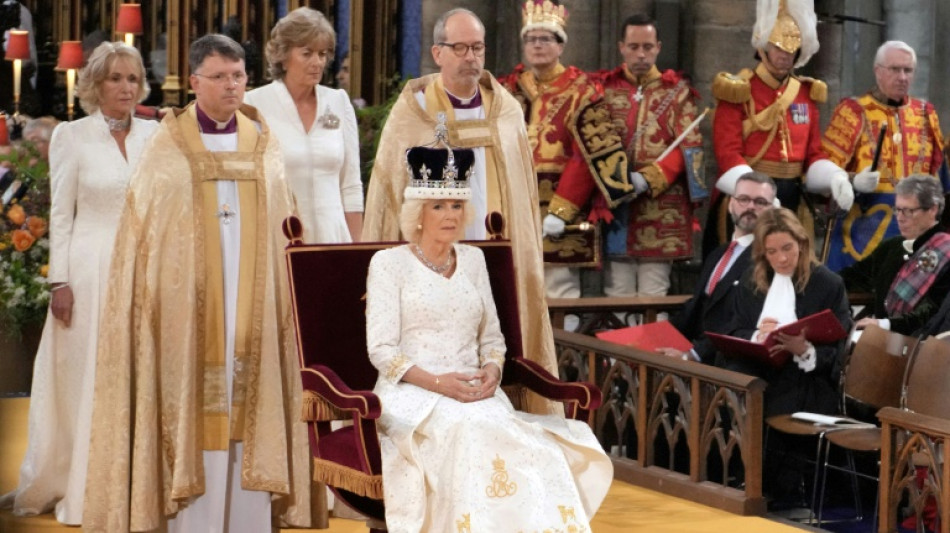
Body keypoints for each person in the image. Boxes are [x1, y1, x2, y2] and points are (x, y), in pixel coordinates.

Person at [81, 34, 310, 531]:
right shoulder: (169, 146)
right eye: (221, 77)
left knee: (247, 399)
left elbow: (284, 228)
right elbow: (146, 239)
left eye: (239, 76)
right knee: (197, 402)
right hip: (186, 315)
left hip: (253, 310)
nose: (232, 86)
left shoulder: (264, 145)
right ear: (194, 82)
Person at [365, 143, 612, 532]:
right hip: (412, 392)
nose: (450, 216)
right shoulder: (388, 264)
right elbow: (381, 350)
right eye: (438, 206)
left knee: (530, 444)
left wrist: (492, 373)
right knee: (468, 432)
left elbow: (493, 340)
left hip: (476, 389)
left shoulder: (475, 260)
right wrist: (438, 383)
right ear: (417, 213)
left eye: (457, 206)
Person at [361, 8, 559, 415]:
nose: (471, 56)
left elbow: (522, 195)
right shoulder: (412, 112)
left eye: (478, 47)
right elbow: (389, 197)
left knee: (503, 335)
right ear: (438, 52)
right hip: (432, 260)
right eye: (461, 47)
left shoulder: (505, 111)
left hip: (499, 253)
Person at [0, 42, 157, 525]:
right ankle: (83, 481)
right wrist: (60, 282)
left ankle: (135, 479)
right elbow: (62, 216)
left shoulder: (157, 135)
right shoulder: (72, 136)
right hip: (88, 271)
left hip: (146, 271)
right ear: (95, 84)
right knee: (86, 374)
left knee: (138, 373)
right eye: (115, 78)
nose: (125, 87)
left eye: (132, 78)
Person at [545, 13, 705, 303]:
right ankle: (617, 349)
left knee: (654, 294)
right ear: (621, 47)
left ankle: (648, 350)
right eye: (633, 47)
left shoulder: (678, 93)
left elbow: (689, 150)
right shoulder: (602, 90)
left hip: (660, 208)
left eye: (647, 46)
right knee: (616, 294)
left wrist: (650, 177)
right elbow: (586, 148)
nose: (640, 54)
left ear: (658, 47)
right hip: (615, 209)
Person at [708, 0, 852, 256]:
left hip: (791, 198)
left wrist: (834, 177)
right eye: (778, 47)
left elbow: (813, 155)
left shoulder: (806, 93)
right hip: (747, 196)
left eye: (792, 49)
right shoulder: (738, 89)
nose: (785, 55)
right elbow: (727, 154)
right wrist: (757, 196)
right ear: (764, 46)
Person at [497, 0, 602, 313]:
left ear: (560, 45)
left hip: (561, 199)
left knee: (559, 288)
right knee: (514, 284)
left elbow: (587, 153)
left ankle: (562, 360)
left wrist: (562, 209)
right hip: (515, 199)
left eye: (545, 39)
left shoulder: (583, 90)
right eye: (531, 39)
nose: (537, 46)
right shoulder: (508, 88)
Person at [821, 41, 945, 271]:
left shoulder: (926, 114)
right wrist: (853, 179)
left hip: (918, 229)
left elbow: (937, 177)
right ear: (878, 71)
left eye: (907, 70)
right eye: (894, 69)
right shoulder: (853, 111)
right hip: (864, 228)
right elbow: (824, 173)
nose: (902, 77)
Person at [245, 7, 363, 243]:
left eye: (322, 54)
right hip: (279, 237)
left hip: (334, 238)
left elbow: (350, 185)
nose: (317, 62)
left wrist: (358, 249)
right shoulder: (254, 105)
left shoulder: (338, 101)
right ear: (283, 55)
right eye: (307, 53)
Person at [727, 207, 852, 417]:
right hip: (756, 371)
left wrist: (803, 350)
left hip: (806, 378)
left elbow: (839, 349)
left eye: (787, 248)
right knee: (734, 387)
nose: (782, 259)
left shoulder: (828, 284)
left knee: (780, 399)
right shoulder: (751, 281)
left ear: (801, 244)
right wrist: (758, 336)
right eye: (772, 252)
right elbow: (734, 330)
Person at [658, 172, 777, 364]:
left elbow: (740, 322)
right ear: (731, 204)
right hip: (689, 348)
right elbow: (697, 305)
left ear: (772, 211)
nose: (751, 207)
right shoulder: (718, 254)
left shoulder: (768, 259)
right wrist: (656, 334)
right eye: (743, 199)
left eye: (760, 202)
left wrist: (693, 355)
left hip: (724, 361)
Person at [839, 174, 950, 335]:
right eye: (897, 210)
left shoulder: (945, 251)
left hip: (923, 347)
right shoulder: (892, 246)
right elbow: (853, 277)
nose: (900, 218)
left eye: (908, 211)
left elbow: (934, 312)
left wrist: (884, 324)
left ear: (932, 209)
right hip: (879, 341)